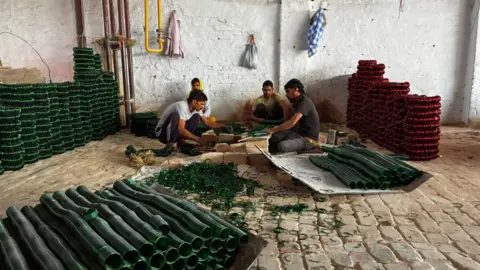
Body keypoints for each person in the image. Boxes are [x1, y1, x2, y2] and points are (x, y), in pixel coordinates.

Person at [155, 90, 231, 148]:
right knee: (175, 116)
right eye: (201, 104)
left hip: (174, 132)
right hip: (162, 134)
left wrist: (222, 126)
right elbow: (181, 129)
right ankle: (170, 144)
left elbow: (207, 122)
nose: (203, 107)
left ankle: (181, 142)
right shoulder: (182, 106)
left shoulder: (197, 109)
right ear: (194, 101)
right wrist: (198, 139)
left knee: (196, 117)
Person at [265, 79, 320, 153]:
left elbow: (292, 123)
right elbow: (290, 121)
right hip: (297, 133)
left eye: (288, 91)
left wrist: (275, 129)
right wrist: (277, 128)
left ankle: (310, 149)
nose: (286, 95)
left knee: (282, 146)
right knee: (274, 137)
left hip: (308, 139)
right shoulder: (297, 102)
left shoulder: (305, 102)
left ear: (296, 89)